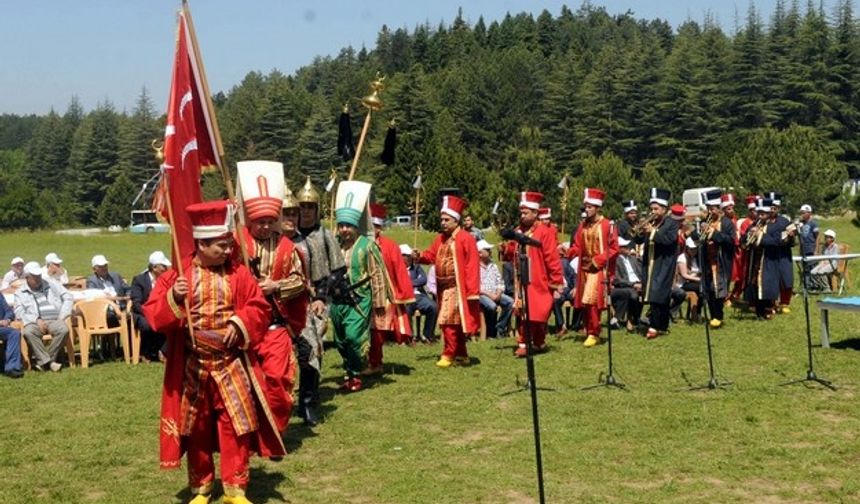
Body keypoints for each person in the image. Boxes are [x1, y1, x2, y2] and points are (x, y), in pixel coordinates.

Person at [143, 200, 283, 504]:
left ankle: (236, 489)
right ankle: (201, 488)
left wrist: (240, 321)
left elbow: (259, 307)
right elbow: (153, 316)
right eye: (221, 245)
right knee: (198, 431)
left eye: (229, 244)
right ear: (202, 244)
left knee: (236, 427)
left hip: (230, 363)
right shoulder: (178, 276)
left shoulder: (239, 274)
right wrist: (172, 297)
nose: (228, 250)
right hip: (194, 367)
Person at [234, 161, 304, 433]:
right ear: (250, 220)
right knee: (250, 381)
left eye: (268, 222)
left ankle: (275, 431)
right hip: (245, 326)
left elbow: (301, 282)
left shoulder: (288, 247)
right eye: (259, 222)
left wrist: (276, 286)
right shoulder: (236, 245)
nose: (264, 227)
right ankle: (252, 432)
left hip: (276, 325)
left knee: (277, 378)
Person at [294, 176, 347, 420]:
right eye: (301, 207)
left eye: (309, 207)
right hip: (290, 299)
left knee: (311, 351)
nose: (305, 212)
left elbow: (336, 271)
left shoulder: (325, 236)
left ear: (316, 210)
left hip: (316, 300)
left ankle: (308, 400)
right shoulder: (287, 236)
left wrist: (322, 298)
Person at [330, 181, 386, 391]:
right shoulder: (334, 244)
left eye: (349, 226)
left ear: (356, 227)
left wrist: (379, 302)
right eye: (341, 225)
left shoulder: (367, 246)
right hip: (337, 299)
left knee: (354, 336)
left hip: (359, 299)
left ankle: (355, 374)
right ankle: (349, 370)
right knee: (340, 340)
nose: (345, 230)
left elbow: (377, 274)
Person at [414, 194, 481, 367]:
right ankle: (462, 354)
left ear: (456, 221)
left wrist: (472, 291)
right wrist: (418, 256)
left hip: (457, 287)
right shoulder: (441, 239)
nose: (443, 223)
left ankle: (448, 353)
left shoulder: (466, 239)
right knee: (454, 322)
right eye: (441, 219)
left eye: (446, 219)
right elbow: (430, 255)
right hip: (443, 288)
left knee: (447, 320)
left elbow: (472, 266)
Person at [506, 191, 564, 356]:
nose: (522, 216)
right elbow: (511, 252)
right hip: (521, 279)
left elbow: (552, 258)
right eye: (521, 213)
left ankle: (528, 343)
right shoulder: (519, 230)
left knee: (536, 313)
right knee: (525, 312)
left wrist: (556, 280)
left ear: (535, 213)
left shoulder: (544, 233)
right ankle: (535, 342)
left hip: (538, 280)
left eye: (526, 213)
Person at [367, 203, 415, 373]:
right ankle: (366, 361)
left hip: (385, 295)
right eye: (371, 226)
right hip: (364, 294)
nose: (374, 229)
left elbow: (399, 270)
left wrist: (403, 293)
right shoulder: (361, 244)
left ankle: (375, 363)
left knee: (377, 330)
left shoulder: (390, 246)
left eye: (376, 226)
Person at [567, 188, 617, 347]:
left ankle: (594, 332)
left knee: (592, 300)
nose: (586, 210)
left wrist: (598, 261)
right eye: (585, 207)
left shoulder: (607, 225)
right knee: (585, 301)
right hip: (584, 268)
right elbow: (577, 245)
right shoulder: (583, 226)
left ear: (597, 207)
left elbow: (613, 248)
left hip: (597, 268)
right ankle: (589, 328)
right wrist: (567, 251)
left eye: (589, 207)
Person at [13, 262, 72, 372]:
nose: (38, 279)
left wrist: (62, 315)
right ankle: (50, 362)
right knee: (28, 332)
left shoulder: (51, 283)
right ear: (27, 277)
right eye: (34, 277)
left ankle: (45, 361)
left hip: (55, 318)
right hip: (34, 322)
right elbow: (19, 312)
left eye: (39, 276)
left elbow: (68, 296)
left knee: (63, 329)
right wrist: (36, 319)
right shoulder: (20, 292)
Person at [638, 188, 680, 339]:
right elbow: (639, 240)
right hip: (649, 263)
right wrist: (641, 232)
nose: (653, 212)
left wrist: (653, 232)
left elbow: (669, 240)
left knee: (658, 295)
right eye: (651, 209)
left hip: (664, 264)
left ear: (664, 209)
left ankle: (654, 326)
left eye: (656, 209)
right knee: (657, 296)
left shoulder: (672, 223)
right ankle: (662, 325)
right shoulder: (652, 222)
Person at [699, 189, 736, 328]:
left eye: (713, 209)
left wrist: (714, 233)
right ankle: (713, 315)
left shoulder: (727, 223)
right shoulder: (705, 221)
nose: (710, 212)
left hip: (720, 262)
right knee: (708, 290)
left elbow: (731, 241)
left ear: (719, 209)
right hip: (707, 261)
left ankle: (718, 316)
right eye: (709, 209)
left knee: (718, 290)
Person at [743, 198, 782, 319]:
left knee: (767, 286)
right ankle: (759, 311)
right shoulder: (753, 225)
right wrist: (749, 235)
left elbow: (776, 241)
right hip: (755, 261)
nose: (760, 216)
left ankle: (768, 310)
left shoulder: (774, 227)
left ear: (768, 214)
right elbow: (743, 240)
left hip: (768, 261)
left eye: (763, 214)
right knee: (755, 285)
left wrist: (760, 235)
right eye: (758, 213)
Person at [130, 251, 171, 362]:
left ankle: (163, 350)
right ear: (154, 267)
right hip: (141, 313)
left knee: (173, 324)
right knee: (147, 325)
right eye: (163, 266)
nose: (165, 268)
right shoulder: (139, 280)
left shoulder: (166, 280)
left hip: (160, 313)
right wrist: (149, 313)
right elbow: (136, 303)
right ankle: (145, 352)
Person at [477, 239, 514, 339]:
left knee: (510, 302)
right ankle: (491, 331)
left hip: (495, 293)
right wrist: (490, 295)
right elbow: (476, 287)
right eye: (487, 250)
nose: (490, 251)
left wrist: (499, 292)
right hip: (482, 295)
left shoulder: (493, 265)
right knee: (491, 306)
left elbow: (500, 281)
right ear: (479, 253)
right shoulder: (474, 267)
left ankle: (500, 328)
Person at [401, 244, 438, 343]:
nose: (410, 258)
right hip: (405, 297)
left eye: (410, 256)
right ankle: (410, 336)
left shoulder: (416, 267)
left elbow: (423, 279)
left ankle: (427, 334)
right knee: (407, 309)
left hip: (418, 295)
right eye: (407, 256)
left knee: (433, 307)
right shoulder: (398, 269)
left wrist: (408, 283)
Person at [767, 192, 796, 314]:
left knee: (786, 278)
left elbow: (793, 240)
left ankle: (784, 303)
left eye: (775, 208)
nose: (772, 210)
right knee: (771, 280)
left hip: (784, 254)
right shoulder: (763, 222)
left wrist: (791, 237)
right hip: (770, 255)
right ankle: (771, 304)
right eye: (770, 207)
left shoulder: (785, 221)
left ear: (778, 209)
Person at [729, 195, 759, 302]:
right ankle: (734, 295)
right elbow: (742, 238)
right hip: (746, 254)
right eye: (753, 211)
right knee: (744, 276)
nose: (756, 213)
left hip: (758, 253)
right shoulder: (745, 222)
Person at [610, 237, 643, 332]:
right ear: (619, 249)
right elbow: (617, 280)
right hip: (625, 286)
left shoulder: (633, 259)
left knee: (649, 292)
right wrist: (632, 284)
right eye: (625, 246)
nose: (628, 248)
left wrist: (642, 283)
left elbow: (641, 272)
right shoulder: (615, 261)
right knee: (633, 295)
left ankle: (638, 318)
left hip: (639, 283)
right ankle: (634, 319)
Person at [672, 237, 702, 320]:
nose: (694, 251)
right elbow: (684, 275)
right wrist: (698, 279)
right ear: (687, 248)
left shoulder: (694, 259)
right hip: (682, 284)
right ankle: (695, 313)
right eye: (692, 249)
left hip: (691, 281)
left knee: (702, 290)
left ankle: (696, 313)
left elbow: (697, 271)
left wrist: (695, 275)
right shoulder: (682, 258)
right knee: (701, 287)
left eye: (695, 249)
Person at [0, 294, 24, 378]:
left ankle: (12, 368)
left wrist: (7, 320)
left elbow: (9, 311)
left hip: (2, 328)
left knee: (14, 333)